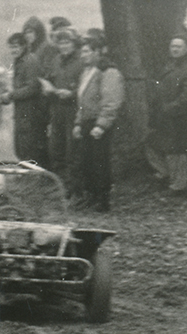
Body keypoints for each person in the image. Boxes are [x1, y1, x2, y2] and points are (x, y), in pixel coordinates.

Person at [71, 36, 125, 212]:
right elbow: (82, 100)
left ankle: (103, 199)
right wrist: (78, 123)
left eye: (87, 51)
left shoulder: (108, 71)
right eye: (82, 52)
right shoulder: (86, 72)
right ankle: (91, 195)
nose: (83, 55)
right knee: (86, 161)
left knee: (100, 162)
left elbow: (111, 101)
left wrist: (101, 125)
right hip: (87, 122)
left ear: (97, 52)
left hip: (98, 123)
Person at [149, 34, 187, 195]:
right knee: (154, 143)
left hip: (181, 118)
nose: (174, 49)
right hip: (167, 115)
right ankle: (167, 174)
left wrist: (168, 108)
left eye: (178, 46)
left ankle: (178, 185)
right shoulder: (173, 63)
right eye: (172, 46)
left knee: (177, 151)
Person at [1, 32, 49, 167]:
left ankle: (32, 177)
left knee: (30, 150)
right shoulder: (20, 61)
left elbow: (32, 88)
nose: (13, 50)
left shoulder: (30, 61)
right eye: (11, 47)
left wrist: (11, 95)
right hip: (22, 114)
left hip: (32, 115)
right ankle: (26, 175)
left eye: (16, 46)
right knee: (21, 148)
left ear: (23, 46)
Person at [44, 29, 83, 184]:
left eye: (67, 42)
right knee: (55, 148)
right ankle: (60, 184)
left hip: (74, 110)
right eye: (61, 43)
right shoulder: (56, 60)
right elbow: (49, 78)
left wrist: (72, 94)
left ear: (74, 43)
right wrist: (47, 87)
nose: (64, 46)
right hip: (57, 109)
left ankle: (74, 187)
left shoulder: (81, 61)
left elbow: (87, 88)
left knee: (72, 149)